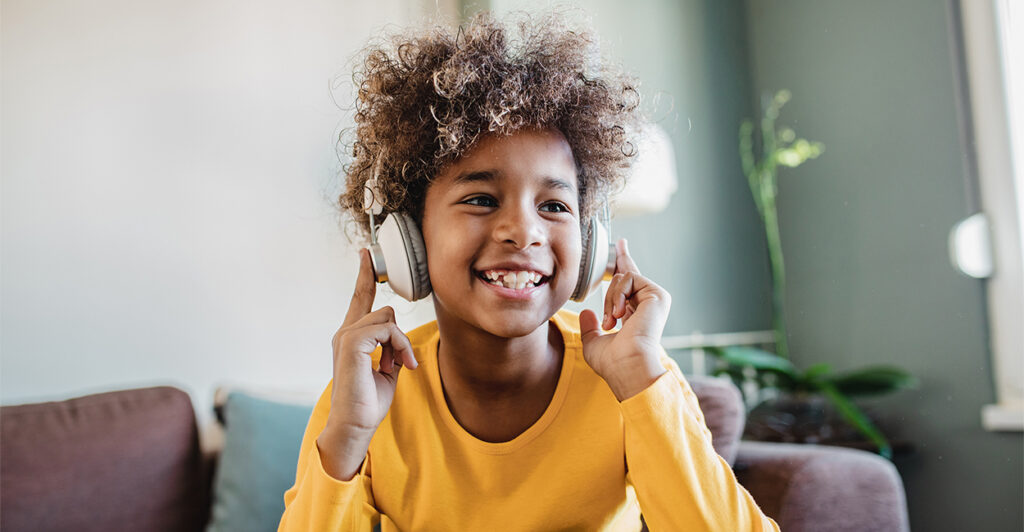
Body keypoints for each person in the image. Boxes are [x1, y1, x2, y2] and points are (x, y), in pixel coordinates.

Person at [279, 11, 779, 531]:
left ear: (591, 245)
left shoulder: (636, 381)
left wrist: (640, 383)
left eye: (555, 207)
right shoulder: (364, 398)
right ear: (408, 237)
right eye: (480, 198)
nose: (524, 231)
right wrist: (348, 436)